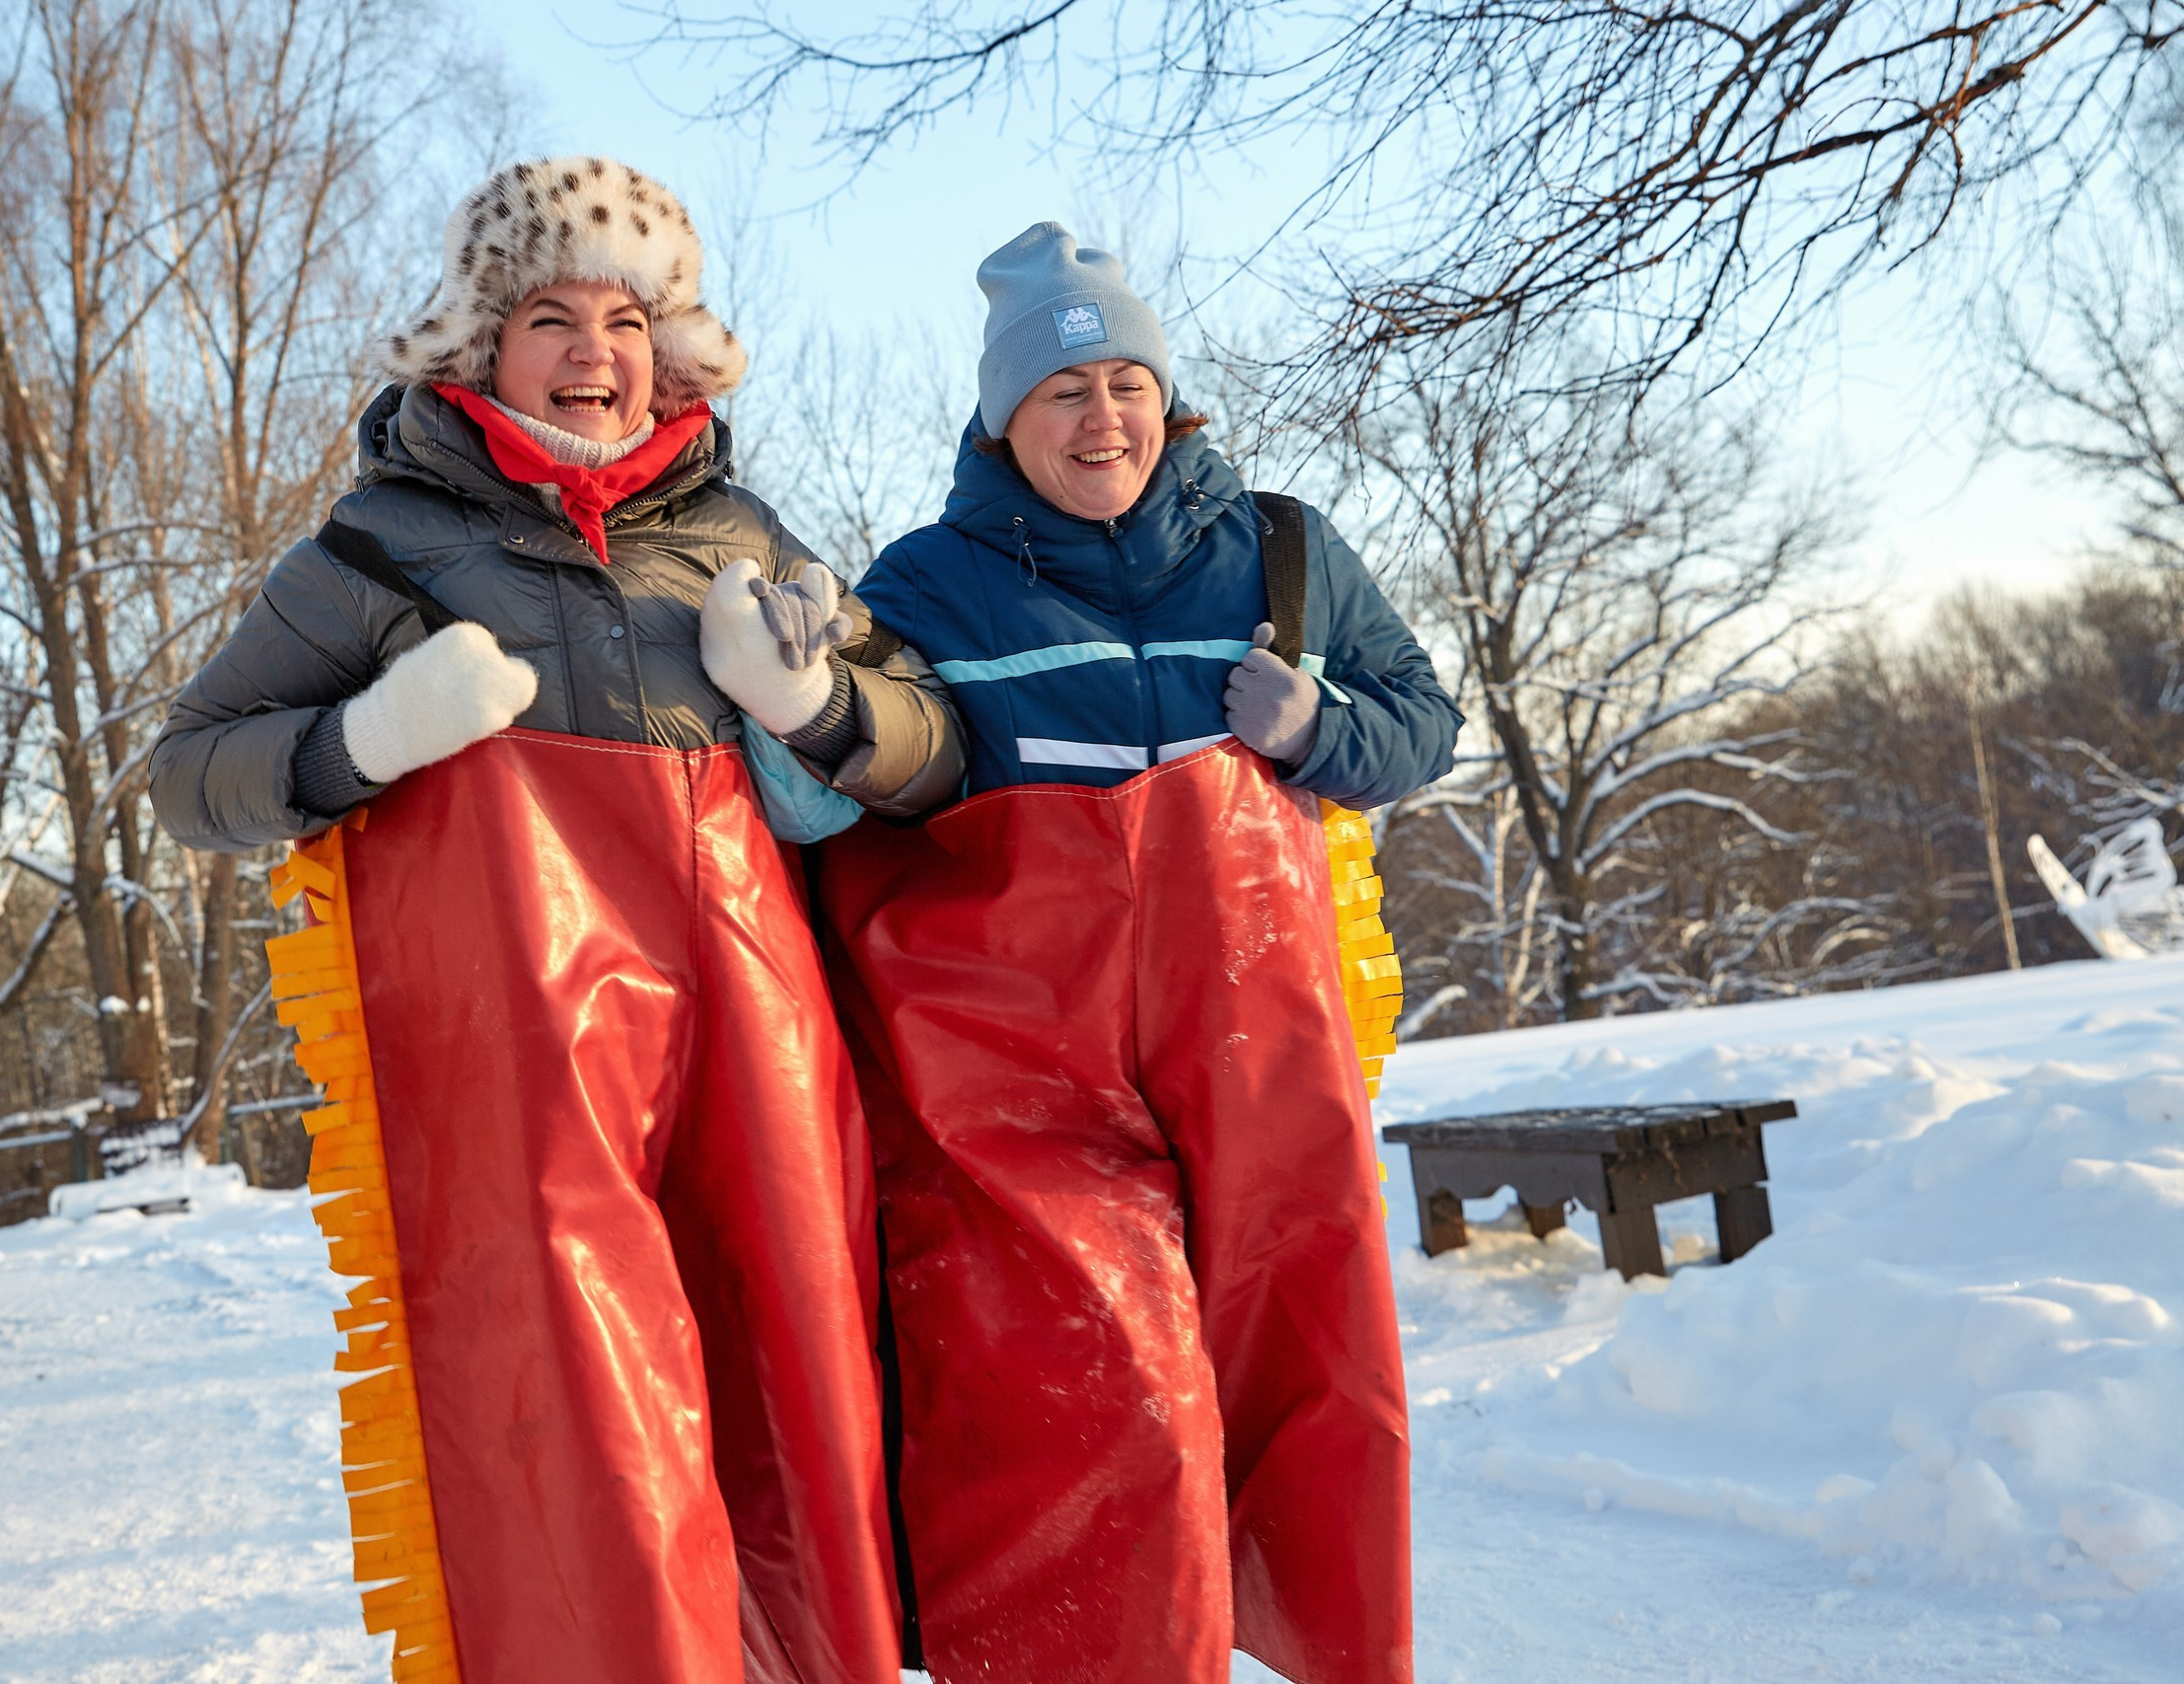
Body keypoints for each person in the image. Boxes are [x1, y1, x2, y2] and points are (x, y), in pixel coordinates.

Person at [150, 156, 960, 1684]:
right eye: (550, 316)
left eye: (625, 319)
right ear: (480, 346)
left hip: (759, 1035)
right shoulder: (379, 550)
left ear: (673, 348)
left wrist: (818, 699)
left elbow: (934, 753)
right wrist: (368, 740)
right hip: (526, 1065)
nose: (596, 355)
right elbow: (192, 774)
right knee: (584, 1409)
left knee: (799, 1380)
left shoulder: (745, 537)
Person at [820, 223, 1463, 1684]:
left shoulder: (1284, 546)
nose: (1100, 416)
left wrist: (1319, 733)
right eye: (1063, 393)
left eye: (1125, 381)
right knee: (1097, 1393)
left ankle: (1322, 1642)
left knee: (1308, 1357)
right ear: (1004, 418)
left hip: (1256, 1032)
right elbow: (866, 784)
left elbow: (1420, 717)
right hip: (1029, 1059)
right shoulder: (925, 586)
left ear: (1167, 399)